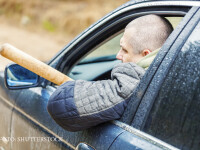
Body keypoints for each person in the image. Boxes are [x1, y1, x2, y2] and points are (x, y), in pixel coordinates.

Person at [47, 14, 173, 132]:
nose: (118, 55)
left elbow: (59, 105)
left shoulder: (134, 84)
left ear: (146, 54)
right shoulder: (175, 73)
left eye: (124, 50)